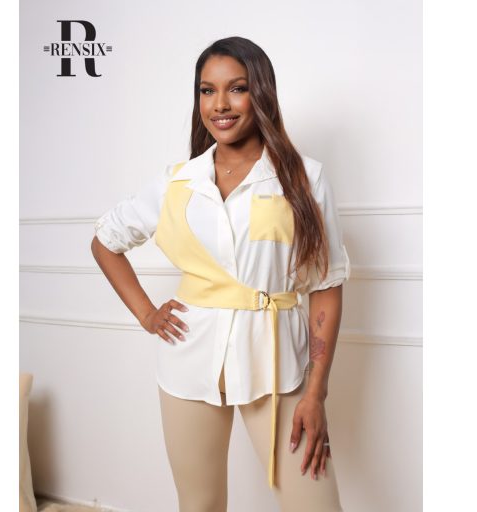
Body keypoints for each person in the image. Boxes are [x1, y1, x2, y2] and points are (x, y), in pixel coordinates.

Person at [91, 36, 350, 512]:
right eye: (207, 90)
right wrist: (147, 314)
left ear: (262, 93)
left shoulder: (304, 178)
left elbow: (326, 287)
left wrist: (316, 392)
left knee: (315, 505)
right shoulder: (177, 181)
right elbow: (106, 241)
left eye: (237, 88)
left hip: (278, 367)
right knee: (200, 504)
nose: (220, 104)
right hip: (189, 362)